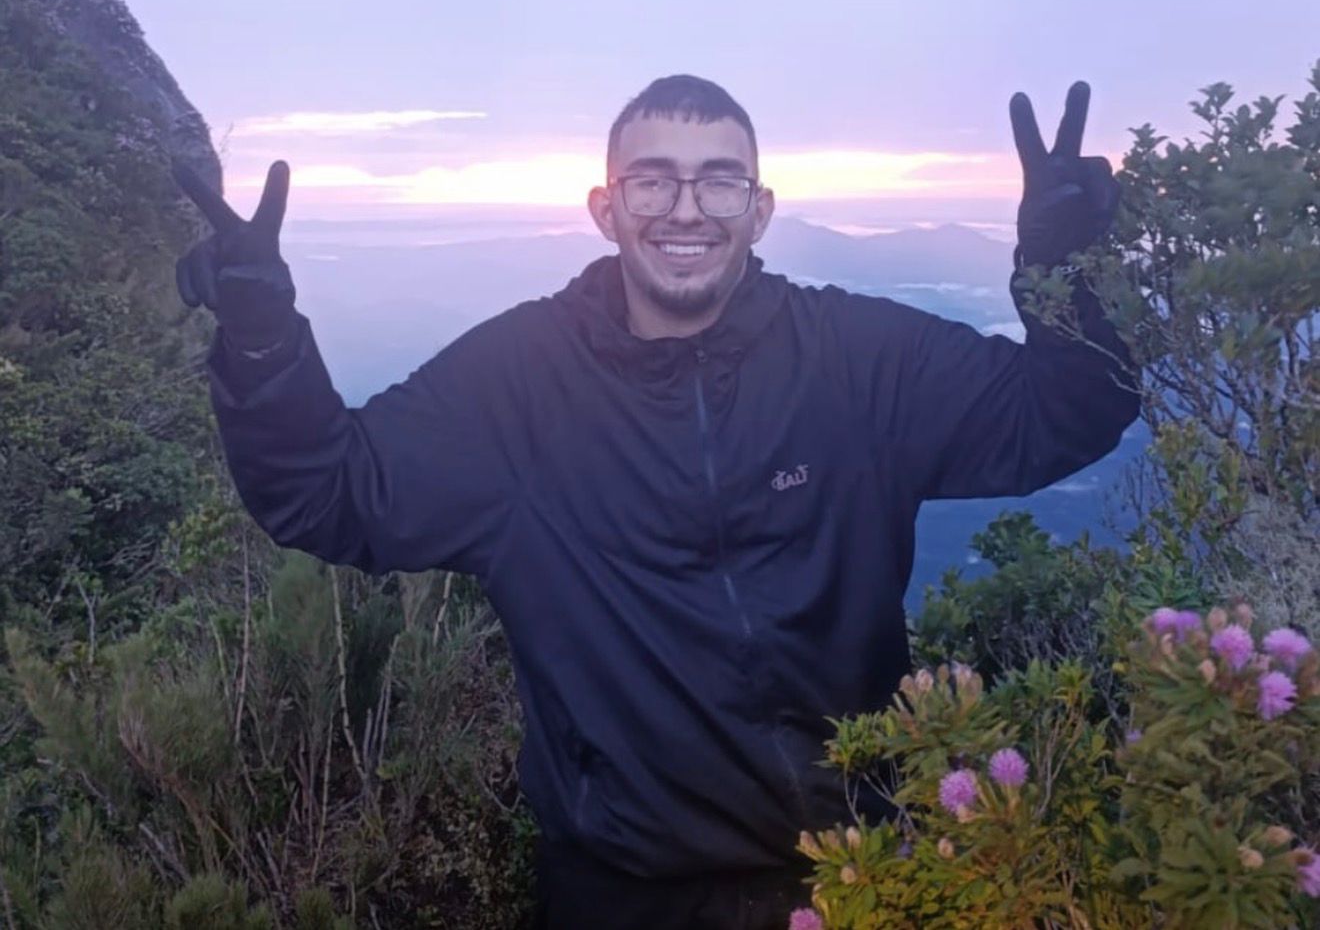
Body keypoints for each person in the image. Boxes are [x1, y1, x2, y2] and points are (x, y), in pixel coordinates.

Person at [173, 74, 1138, 929]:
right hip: (623, 892)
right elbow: (329, 492)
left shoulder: (855, 360)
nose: (688, 208)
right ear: (606, 206)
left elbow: (1063, 416)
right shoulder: (518, 384)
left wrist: (1065, 274)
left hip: (860, 873)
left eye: (720, 179)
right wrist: (263, 342)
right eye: (654, 180)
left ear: (759, 210)